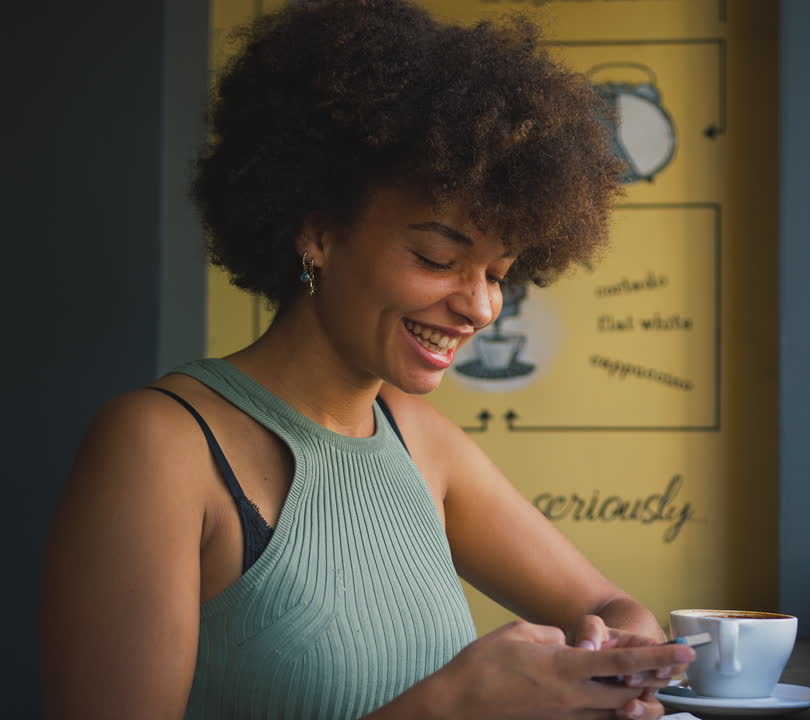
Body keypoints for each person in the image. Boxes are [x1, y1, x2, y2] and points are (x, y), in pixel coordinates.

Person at [37, 1, 693, 718]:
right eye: (437, 257)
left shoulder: (419, 442)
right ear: (317, 231)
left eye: (498, 273)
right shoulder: (160, 448)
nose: (478, 307)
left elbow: (608, 603)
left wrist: (618, 657)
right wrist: (449, 705)